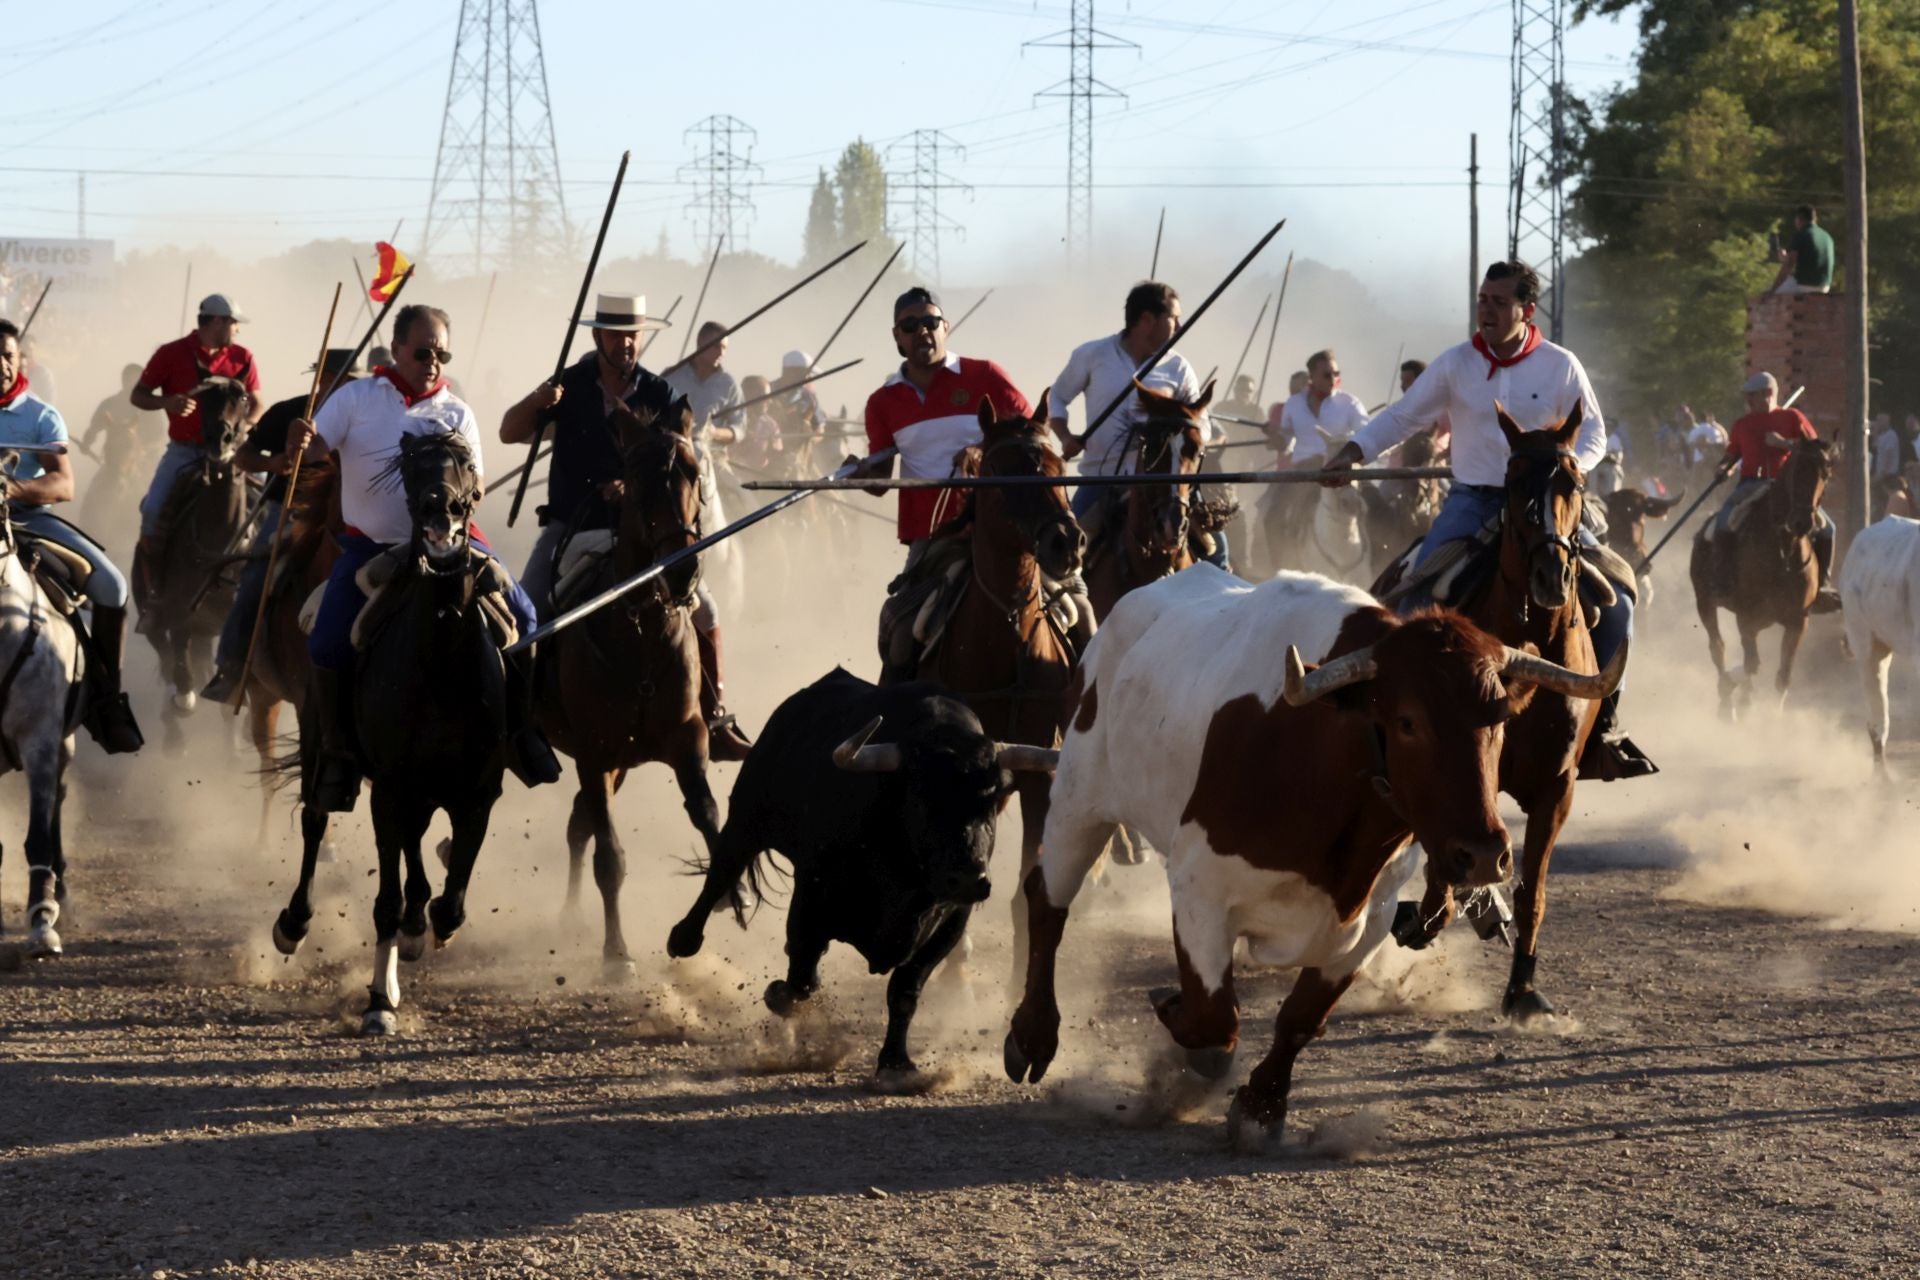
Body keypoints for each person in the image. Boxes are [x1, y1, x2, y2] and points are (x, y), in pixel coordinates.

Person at [1323, 260, 1654, 781]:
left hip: (1547, 501)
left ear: (1526, 309)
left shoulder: (1561, 365)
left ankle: (1603, 730)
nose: (1487, 309)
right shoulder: (1456, 363)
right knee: (1409, 602)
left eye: (1499, 302)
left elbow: (1592, 436)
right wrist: (1353, 451)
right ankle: (1388, 735)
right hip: (1475, 500)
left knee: (1619, 601)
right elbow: (1406, 414)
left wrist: (1566, 469)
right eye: (1482, 299)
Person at [297, 303, 556, 811]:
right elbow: (315, 446)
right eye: (422, 350)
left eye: (441, 352)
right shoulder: (356, 397)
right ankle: (338, 753)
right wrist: (302, 441)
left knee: (526, 619)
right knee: (328, 643)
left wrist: (452, 507)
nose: (432, 360)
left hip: (453, 542)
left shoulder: (456, 411)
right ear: (396, 350)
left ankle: (521, 734)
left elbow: (476, 484)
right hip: (372, 547)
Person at [500, 292, 752, 761]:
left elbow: (681, 458)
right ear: (599, 337)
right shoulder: (567, 385)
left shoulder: (661, 394)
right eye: (617, 335)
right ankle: (519, 726)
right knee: (526, 614)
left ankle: (714, 719)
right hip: (570, 528)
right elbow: (508, 432)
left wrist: (635, 488)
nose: (627, 344)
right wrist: (538, 402)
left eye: (634, 335)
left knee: (706, 613)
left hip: (647, 533)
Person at [851, 286, 1091, 675]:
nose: (922, 331)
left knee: (1079, 609)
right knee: (899, 628)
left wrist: (981, 450)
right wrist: (861, 473)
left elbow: (1031, 438)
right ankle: (893, 717)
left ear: (945, 327)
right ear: (897, 336)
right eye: (910, 325)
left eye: (930, 322)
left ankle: (1089, 711)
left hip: (1008, 524)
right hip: (935, 535)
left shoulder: (987, 376)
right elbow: (880, 483)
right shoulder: (883, 402)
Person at [0, 320, 145, 752]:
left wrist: (9, 488)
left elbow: (63, 485)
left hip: (28, 519)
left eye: (7, 355)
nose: (1, 364)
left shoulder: (39, 415)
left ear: (20, 359)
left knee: (113, 585)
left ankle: (107, 702)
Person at [199, 348, 361, 703]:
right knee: (257, 578)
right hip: (290, 511)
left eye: (354, 382)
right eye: (346, 380)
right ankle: (231, 663)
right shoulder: (288, 412)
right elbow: (244, 457)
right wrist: (276, 464)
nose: (352, 388)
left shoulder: (363, 418)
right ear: (326, 379)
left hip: (350, 517)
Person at [1046, 281, 1222, 567]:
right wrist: (1065, 437)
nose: (1179, 327)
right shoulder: (1092, 355)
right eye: (1173, 318)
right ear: (1146, 319)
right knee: (1062, 554)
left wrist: (1181, 430)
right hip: (1102, 481)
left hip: (1166, 484)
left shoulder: (1178, 367)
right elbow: (1057, 397)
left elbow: (1202, 424)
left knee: (1218, 551)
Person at [130, 294, 263, 616]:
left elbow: (257, 403)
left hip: (233, 453)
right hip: (185, 451)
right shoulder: (170, 353)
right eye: (234, 324)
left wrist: (241, 425)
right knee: (152, 511)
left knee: (268, 507)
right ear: (217, 321)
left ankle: (258, 592)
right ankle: (154, 594)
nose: (237, 331)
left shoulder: (242, 357)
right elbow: (139, 395)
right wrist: (168, 403)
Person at [1702, 371, 1840, 611]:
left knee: (1828, 529)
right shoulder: (1742, 424)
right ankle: (1722, 581)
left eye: (1751, 396)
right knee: (1722, 523)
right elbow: (1732, 454)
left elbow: (1818, 451)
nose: (1748, 401)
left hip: (1786, 487)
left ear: (1767, 395)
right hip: (1750, 484)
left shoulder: (1792, 417)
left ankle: (1822, 585)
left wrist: (1783, 443)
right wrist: (1723, 468)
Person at [1280, 349, 1369, 468]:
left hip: (1339, 470)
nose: (1333, 379)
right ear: (1312, 376)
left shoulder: (1350, 403)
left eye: (1336, 374)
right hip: (1302, 472)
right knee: (1273, 486)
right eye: (1327, 375)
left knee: (1371, 488)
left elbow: (1366, 437)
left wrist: (1346, 442)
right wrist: (1274, 436)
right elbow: (1284, 443)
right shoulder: (1293, 403)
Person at [1771, 205, 1835, 295]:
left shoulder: (1802, 234)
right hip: (1825, 287)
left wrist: (1772, 291)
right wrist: (1786, 258)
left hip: (1804, 285)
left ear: (1799, 219)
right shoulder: (1827, 236)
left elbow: (1789, 265)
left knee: (1768, 297)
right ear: (1815, 219)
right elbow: (1812, 264)